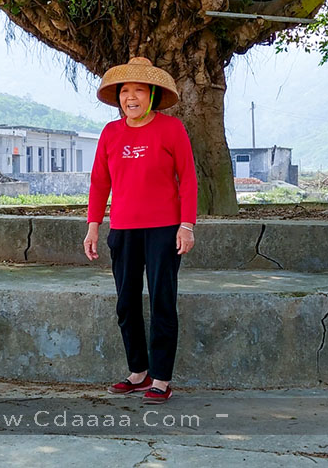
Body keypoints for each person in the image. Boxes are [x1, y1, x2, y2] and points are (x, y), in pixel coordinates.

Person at [84, 56, 197, 403]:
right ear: (118, 96)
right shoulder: (110, 132)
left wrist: (187, 225)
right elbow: (99, 182)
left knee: (163, 301)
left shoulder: (171, 129)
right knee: (126, 303)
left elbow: (189, 179)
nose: (131, 97)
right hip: (123, 229)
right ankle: (138, 372)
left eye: (138, 91)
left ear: (152, 95)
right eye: (125, 91)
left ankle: (161, 378)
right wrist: (93, 227)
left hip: (164, 230)